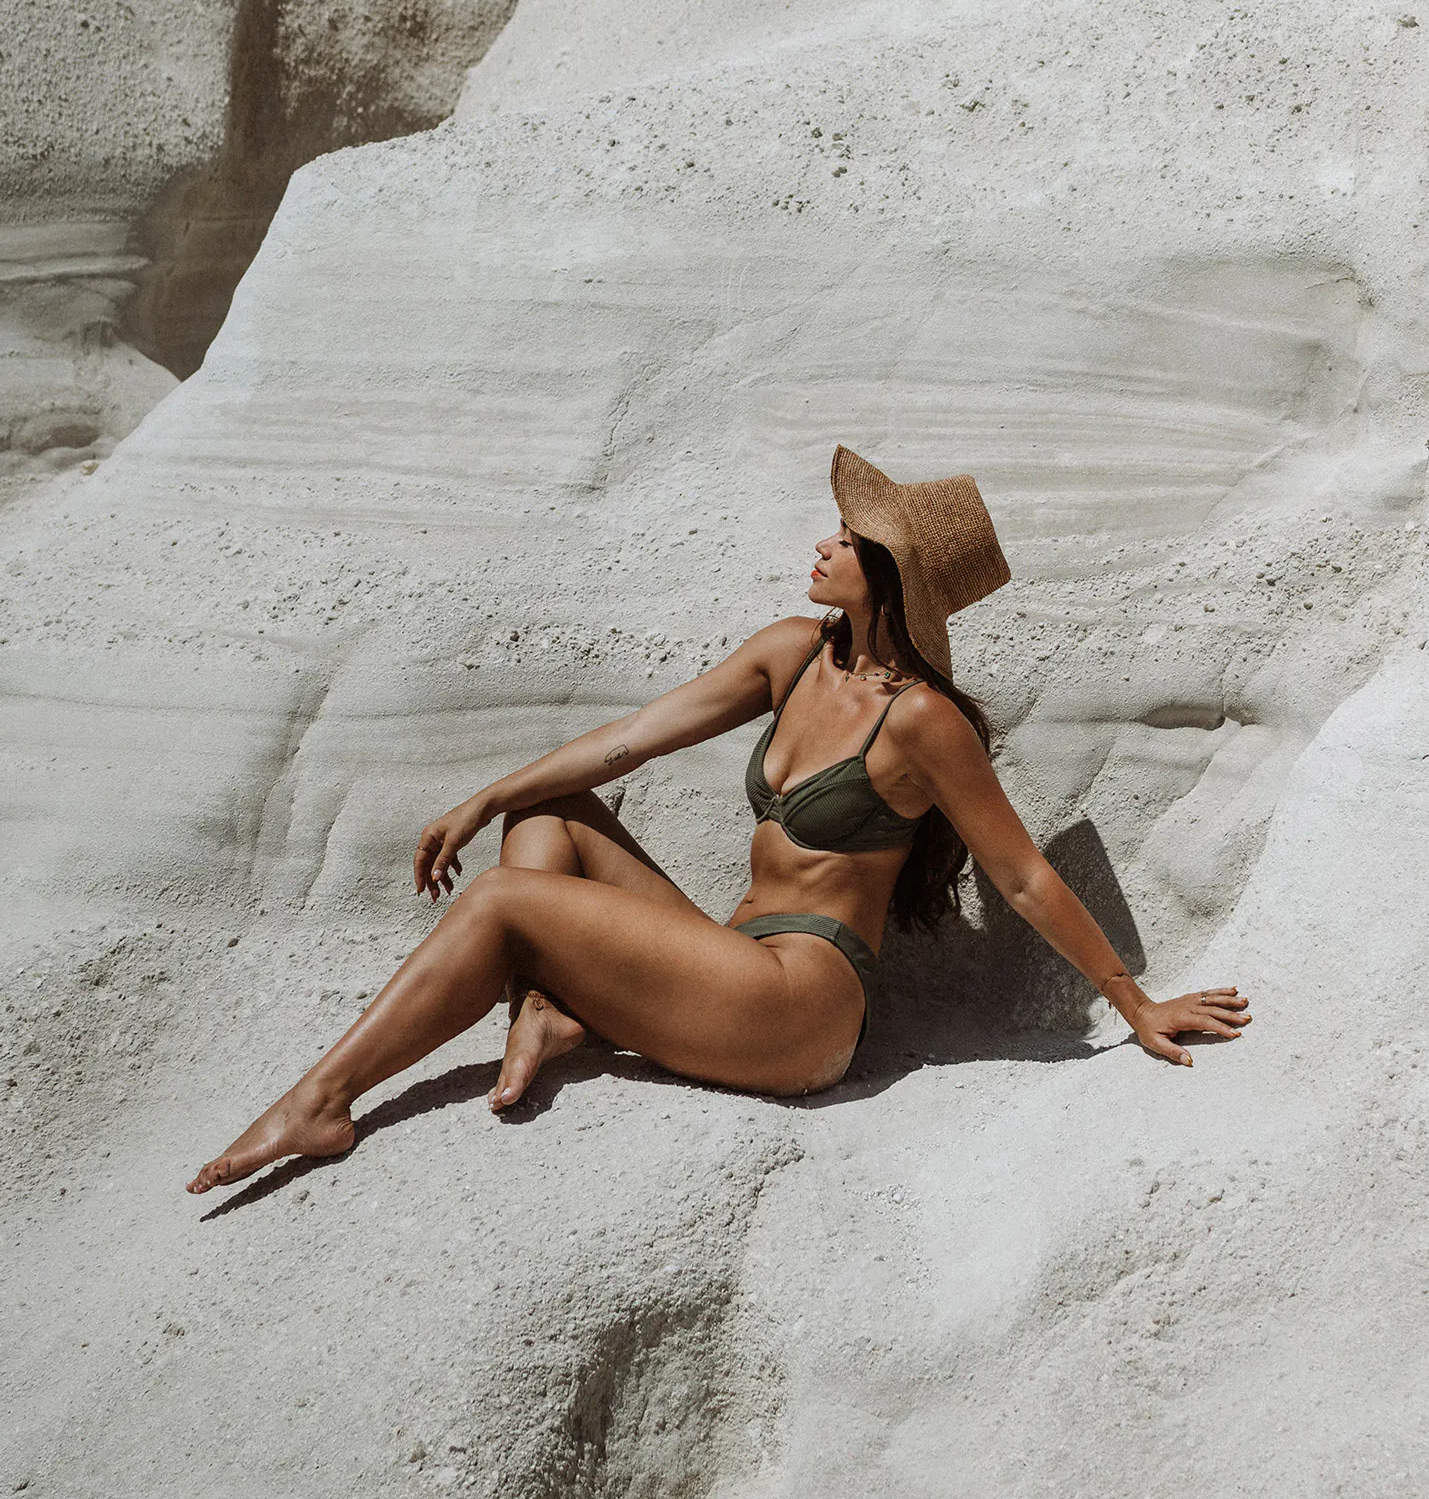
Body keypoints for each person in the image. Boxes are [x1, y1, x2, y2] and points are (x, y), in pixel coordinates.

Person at [187, 445, 1250, 1193]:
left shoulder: (922, 721)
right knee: (549, 811)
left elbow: (1018, 874)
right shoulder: (793, 651)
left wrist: (1132, 1002)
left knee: (508, 899)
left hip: (802, 1009)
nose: (824, 543)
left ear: (888, 577)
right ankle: (551, 1011)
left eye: (849, 539)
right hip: (731, 961)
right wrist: (491, 793)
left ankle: (322, 1100)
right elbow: (632, 738)